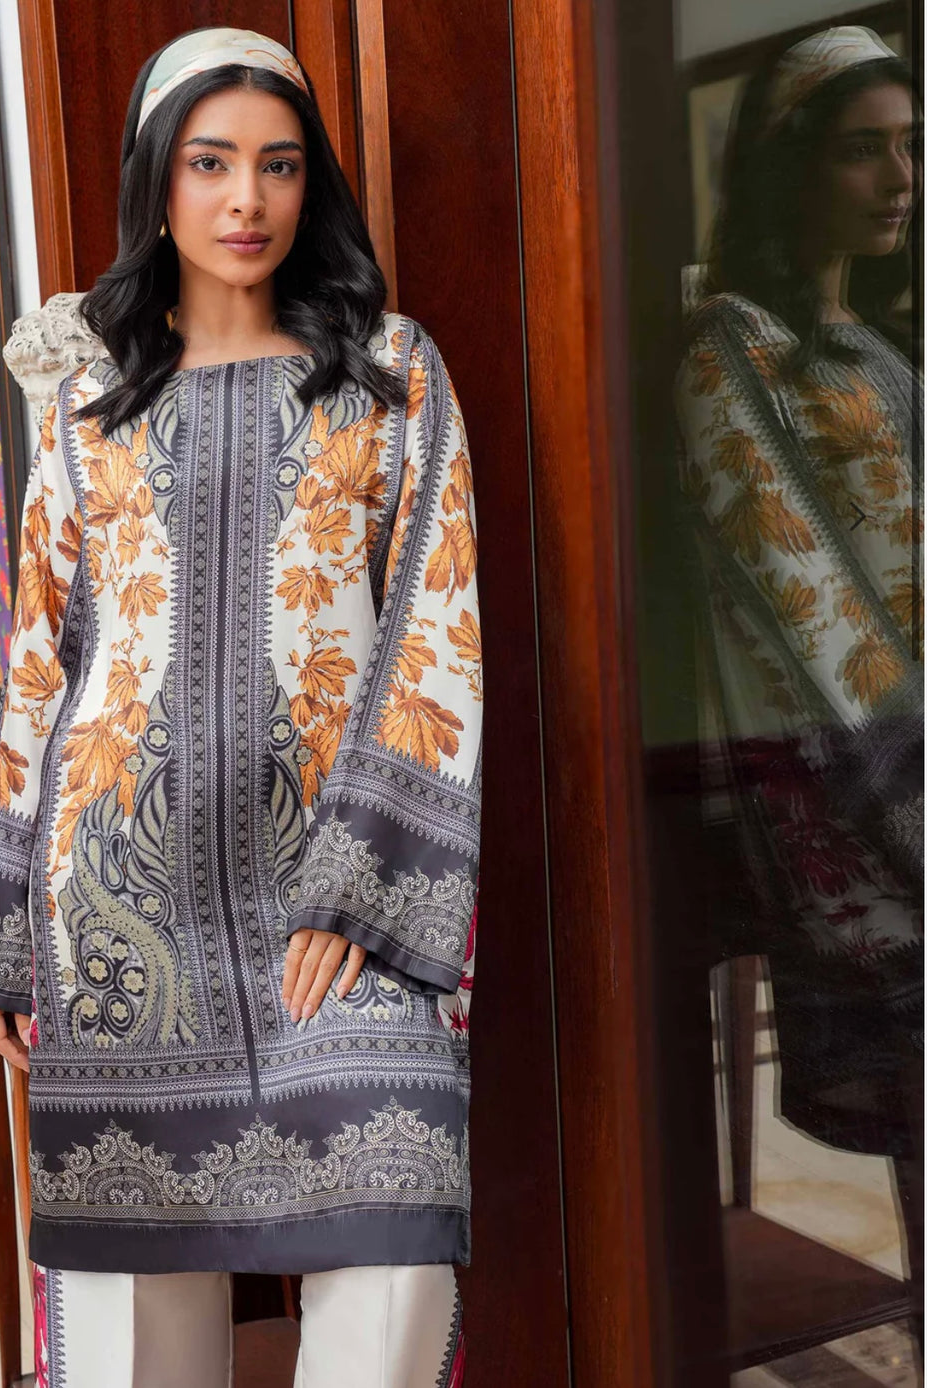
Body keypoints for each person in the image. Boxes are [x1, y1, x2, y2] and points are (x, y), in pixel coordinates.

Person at [0, 27, 480, 1387]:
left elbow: (438, 629)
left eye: (280, 165)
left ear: (312, 186)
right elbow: (42, 660)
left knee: (398, 1266)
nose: (248, 199)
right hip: (118, 912)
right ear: (159, 179)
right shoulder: (88, 403)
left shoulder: (391, 374)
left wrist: (363, 888)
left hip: (340, 901)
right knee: (136, 1318)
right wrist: (3, 932)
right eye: (211, 163)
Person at [675, 23, 922, 1344]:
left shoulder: (874, 354)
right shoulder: (729, 352)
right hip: (844, 779)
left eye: (909, 148)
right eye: (861, 152)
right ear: (793, 168)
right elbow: (801, 593)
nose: (900, 180)